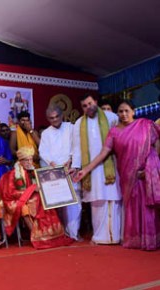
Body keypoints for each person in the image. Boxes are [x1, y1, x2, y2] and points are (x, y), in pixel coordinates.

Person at [75, 100, 160, 250]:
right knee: (133, 207)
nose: (124, 114)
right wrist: (86, 169)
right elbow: (103, 153)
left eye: (127, 110)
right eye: (120, 111)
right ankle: (137, 240)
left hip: (145, 174)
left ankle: (151, 240)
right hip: (128, 175)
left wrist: (150, 165)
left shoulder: (145, 125)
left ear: (133, 111)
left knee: (147, 208)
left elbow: (156, 143)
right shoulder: (114, 132)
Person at [0, 147, 73, 249]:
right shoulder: (13, 174)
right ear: (20, 161)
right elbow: (11, 193)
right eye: (26, 160)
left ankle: (51, 235)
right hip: (17, 200)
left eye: (31, 159)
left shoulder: (35, 171)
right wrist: (31, 190)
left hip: (35, 199)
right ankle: (37, 236)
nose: (30, 162)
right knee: (26, 208)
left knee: (46, 201)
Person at [72, 94, 121, 245]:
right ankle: (100, 236)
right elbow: (77, 149)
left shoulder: (111, 117)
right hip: (90, 170)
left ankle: (115, 236)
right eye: (84, 106)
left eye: (90, 103)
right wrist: (75, 166)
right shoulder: (79, 123)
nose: (88, 107)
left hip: (110, 166)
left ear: (96, 102)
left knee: (112, 198)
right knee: (96, 202)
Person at [39, 105, 82, 240]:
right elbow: (43, 151)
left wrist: (71, 161)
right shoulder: (46, 133)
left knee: (75, 203)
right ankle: (63, 233)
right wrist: (52, 164)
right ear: (48, 119)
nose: (55, 120)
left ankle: (73, 233)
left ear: (62, 115)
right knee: (59, 204)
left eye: (57, 116)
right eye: (51, 118)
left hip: (70, 169)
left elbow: (77, 146)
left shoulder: (71, 127)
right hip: (55, 171)